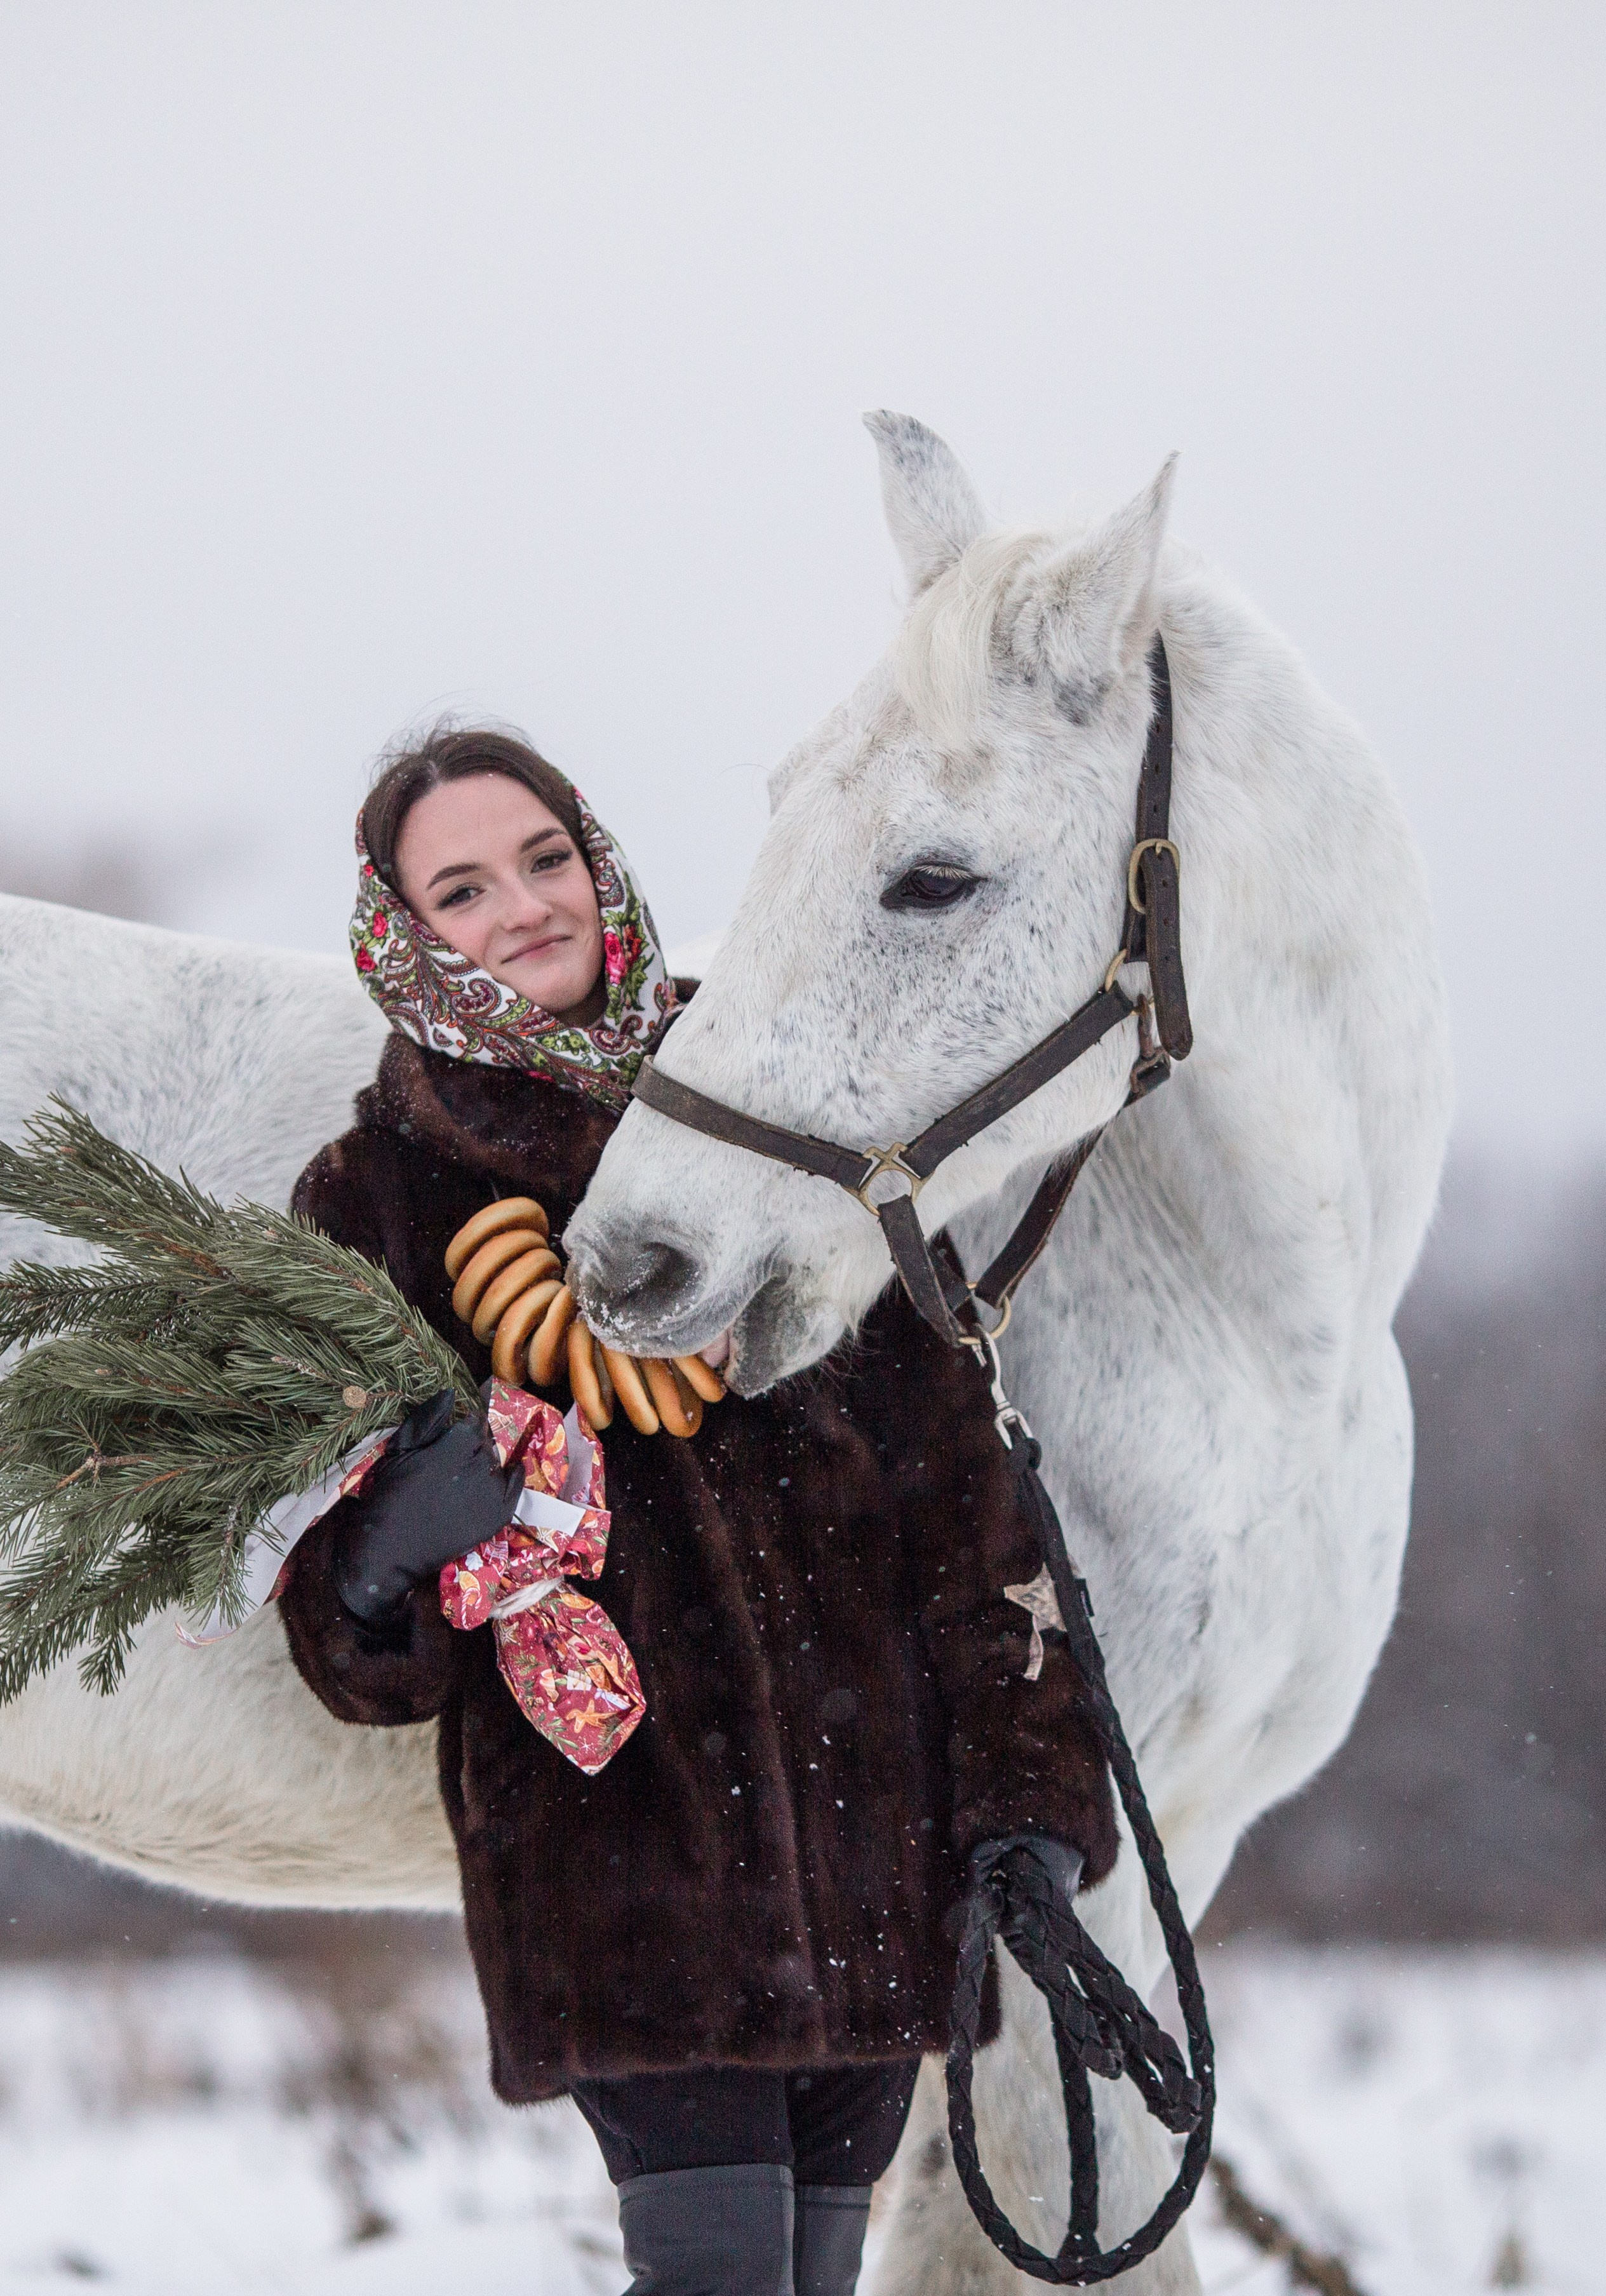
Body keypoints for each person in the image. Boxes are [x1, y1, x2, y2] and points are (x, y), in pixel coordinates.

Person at [278, 725, 1118, 2296]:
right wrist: (389, 1544)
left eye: (544, 859)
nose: (525, 907)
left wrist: (1029, 1803)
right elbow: (345, 1641)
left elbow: (968, 1510)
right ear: (404, 939)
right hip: (625, 1874)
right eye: (461, 888)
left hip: (880, 1855)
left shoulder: (782, 1111)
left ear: (598, 863)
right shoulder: (379, 1198)